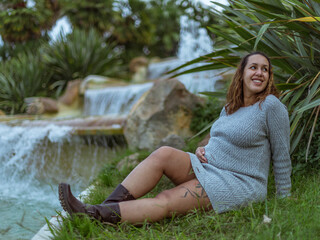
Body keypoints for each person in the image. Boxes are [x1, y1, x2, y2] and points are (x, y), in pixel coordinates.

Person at [59, 51, 292, 224]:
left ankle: (94, 215)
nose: (259, 72)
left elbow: (281, 155)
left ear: (269, 76)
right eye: (253, 67)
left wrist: (284, 199)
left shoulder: (271, 106)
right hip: (209, 167)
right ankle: (106, 206)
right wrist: (205, 150)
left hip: (239, 182)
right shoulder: (231, 107)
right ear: (241, 73)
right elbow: (223, 137)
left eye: (265, 69)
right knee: (163, 154)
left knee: (167, 198)